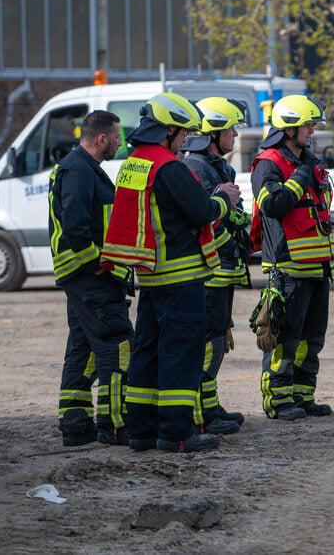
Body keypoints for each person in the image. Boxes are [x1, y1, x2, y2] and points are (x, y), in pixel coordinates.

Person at [102, 92, 241, 453]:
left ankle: (142, 431)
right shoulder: (168, 166)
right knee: (182, 353)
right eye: (181, 133)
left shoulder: (135, 162)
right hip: (181, 276)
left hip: (150, 274)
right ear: (167, 132)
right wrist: (225, 196)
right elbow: (202, 210)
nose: (185, 140)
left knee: (147, 353)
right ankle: (177, 434)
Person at [49, 110, 134, 447]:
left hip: (83, 277)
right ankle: (113, 424)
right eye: (116, 138)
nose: (119, 144)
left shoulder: (83, 168)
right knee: (118, 345)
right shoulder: (79, 170)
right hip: (91, 278)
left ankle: (75, 425)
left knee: (83, 349)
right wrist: (97, 263)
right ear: (101, 139)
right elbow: (74, 224)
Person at [251, 94, 334, 421]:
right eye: (307, 126)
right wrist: (301, 177)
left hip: (317, 266)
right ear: (289, 129)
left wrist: (307, 171)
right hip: (287, 267)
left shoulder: (308, 161)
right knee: (285, 340)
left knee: (311, 339)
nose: (312, 131)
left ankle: (302, 395)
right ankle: (278, 400)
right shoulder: (268, 163)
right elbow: (272, 205)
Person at [181, 96, 251, 435]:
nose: (236, 135)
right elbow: (207, 222)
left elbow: (227, 215)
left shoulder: (218, 167)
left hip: (222, 270)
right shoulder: (196, 168)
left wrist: (242, 220)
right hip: (208, 273)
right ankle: (200, 411)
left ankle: (209, 405)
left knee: (217, 340)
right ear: (213, 133)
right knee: (208, 343)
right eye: (231, 129)